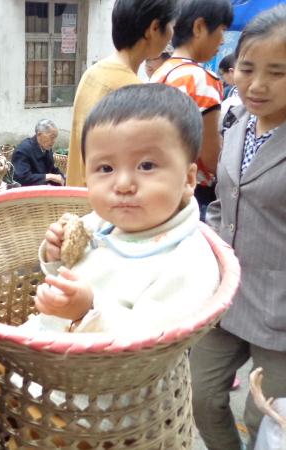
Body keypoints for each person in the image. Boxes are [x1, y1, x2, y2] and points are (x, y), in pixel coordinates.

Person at [22, 84, 219, 339]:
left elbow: (155, 340)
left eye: (146, 165)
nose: (123, 184)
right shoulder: (99, 222)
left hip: (112, 374)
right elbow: (69, 277)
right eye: (105, 168)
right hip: (49, 348)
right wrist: (56, 257)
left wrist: (88, 310)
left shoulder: (189, 261)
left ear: (188, 180)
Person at [189, 5, 286, 449]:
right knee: (204, 400)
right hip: (226, 297)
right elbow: (226, 204)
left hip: (280, 310)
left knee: (265, 417)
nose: (257, 84)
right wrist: (204, 244)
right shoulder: (240, 123)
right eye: (247, 68)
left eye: (277, 72)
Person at [65, 0, 178, 187]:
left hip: (81, 199)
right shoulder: (134, 92)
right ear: (154, 28)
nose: (172, 35)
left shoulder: (94, 72)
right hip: (108, 208)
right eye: (172, 26)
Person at [151, 0, 234, 220]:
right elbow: (210, 153)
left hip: (158, 179)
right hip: (193, 189)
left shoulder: (160, 73)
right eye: (222, 30)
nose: (223, 40)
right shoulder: (201, 79)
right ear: (199, 27)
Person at [11, 119, 64, 186]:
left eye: (55, 138)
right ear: (39, 134)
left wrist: (63, 178)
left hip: (41, 189)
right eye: (52, 137)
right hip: (24, 192)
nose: (54, 141)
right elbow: (21, 178)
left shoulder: (46, 147)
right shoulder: (22, 150)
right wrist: (49, 176)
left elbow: (52, 169)